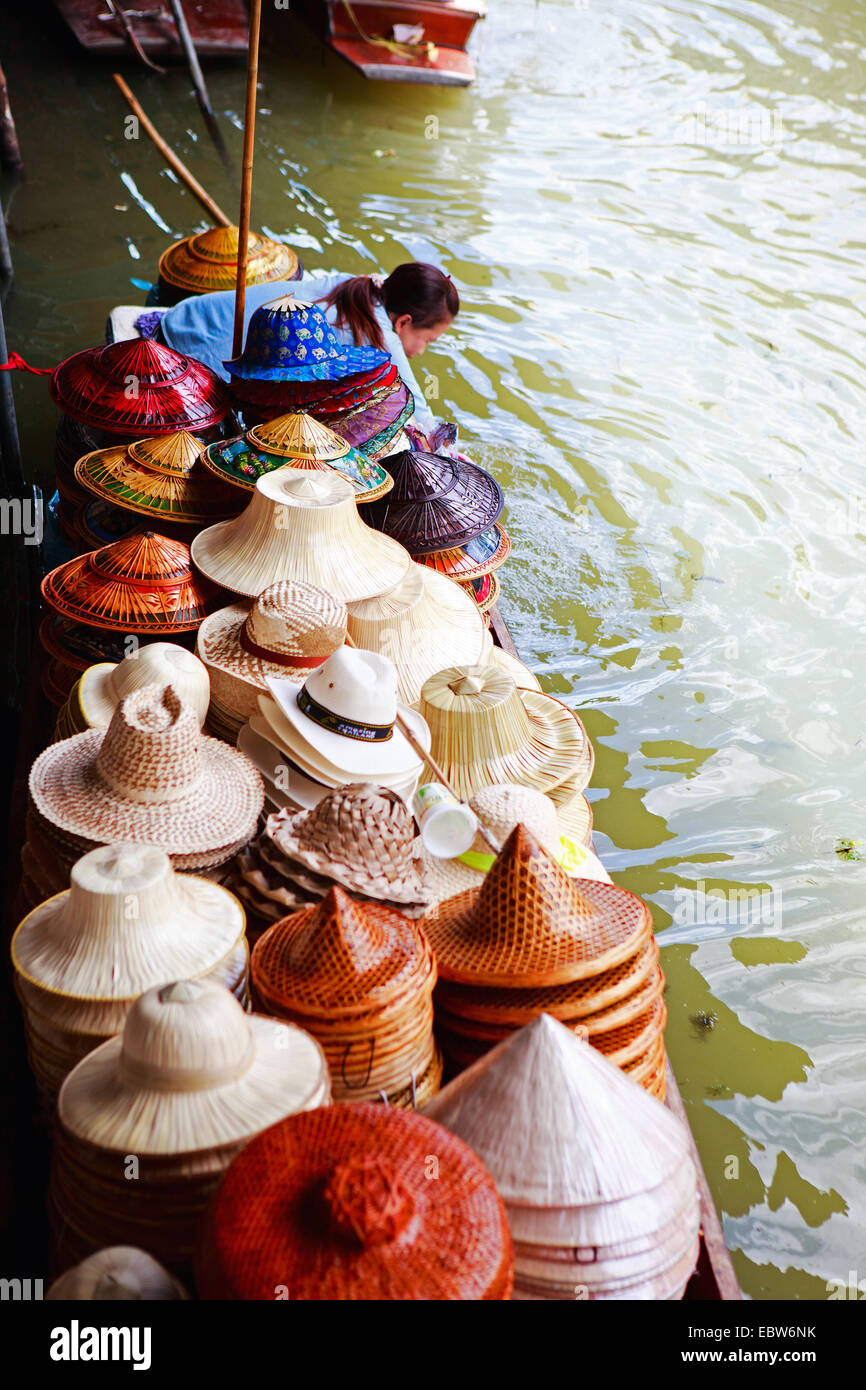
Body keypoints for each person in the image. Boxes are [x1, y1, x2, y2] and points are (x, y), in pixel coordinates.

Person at [157, 261, 459, 438]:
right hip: (183, 359)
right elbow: (417, 409)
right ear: (404, 322)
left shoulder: (354, 284)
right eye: (428, 341)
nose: (421, 351)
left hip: (185, 315)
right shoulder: (380, 335)